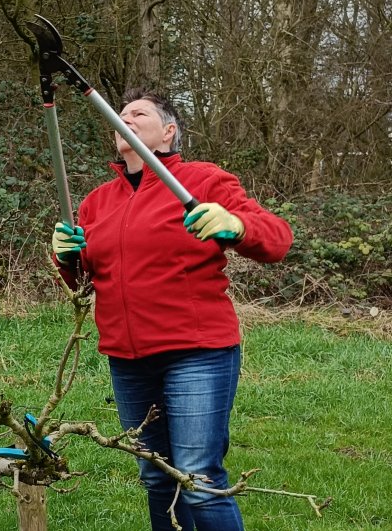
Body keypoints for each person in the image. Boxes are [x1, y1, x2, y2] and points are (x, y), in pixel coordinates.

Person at [51, 88, 293, 530]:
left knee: (199, 480)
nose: (125, 117)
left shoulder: (202, 181)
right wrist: (65, 257)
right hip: (128, 360)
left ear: (168, 132)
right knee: (158, 478)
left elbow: (277, 238)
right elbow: (82, 285)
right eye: (120, 114)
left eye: (138, 113)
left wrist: (236, 224)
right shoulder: (96, 202)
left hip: (195, 353)